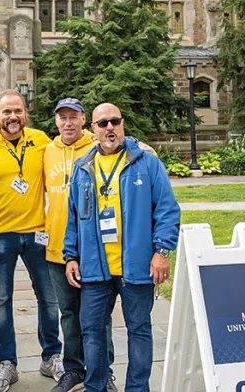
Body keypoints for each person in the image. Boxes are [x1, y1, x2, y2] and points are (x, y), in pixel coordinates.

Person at [64, 103, 180, 392]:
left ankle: (138, 389)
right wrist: (71, 256)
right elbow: (73, 217)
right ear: (93, 130)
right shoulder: (82, 168)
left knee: (139, 331)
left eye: (114, 121)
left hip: (137, 267)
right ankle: (96, 387)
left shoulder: (147, 162)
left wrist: (162, 252)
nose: (109, 128)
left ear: (123, 123)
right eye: (102, 123)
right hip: (94, 269)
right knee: (92, 333)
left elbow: (167, 210)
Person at [0, 89, 63, 392]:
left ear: (25, 112)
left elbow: (76, 146)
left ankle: (51, 356)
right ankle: (7, 363)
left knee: (49, 298)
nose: (12, 117)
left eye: (17, 111)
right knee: (1, 301)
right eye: (6, 112)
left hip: (38, 233)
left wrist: (133, 143)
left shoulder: (41, 140)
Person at [43, 99, 117, 392]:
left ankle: (103, 370)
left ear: (84, 119)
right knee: (69, 314)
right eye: (62, 118)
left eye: (73, 117)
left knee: (98, 315)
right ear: (56, 122)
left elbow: (127, 144)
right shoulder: (47, 150)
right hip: (57, 248)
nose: (68, 123)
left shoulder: (97, 145)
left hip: (93, 250)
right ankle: (73, 369)